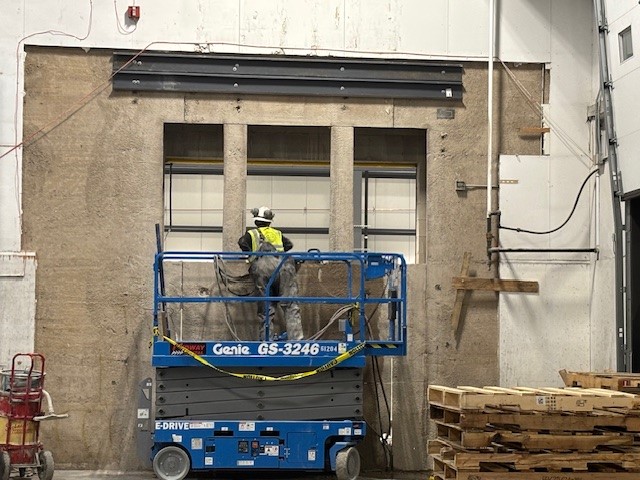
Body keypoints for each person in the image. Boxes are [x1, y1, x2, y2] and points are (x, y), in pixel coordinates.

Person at [238, 206, 303, 341]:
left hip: (262, 268)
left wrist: (250, 256)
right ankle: (297, 340)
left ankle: (266, 340)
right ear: (269, 222)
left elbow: (242, 243)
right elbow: (289, 245)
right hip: (283, 267)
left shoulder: (252, 234)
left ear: (256, 222)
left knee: (266, 307)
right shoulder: (278, 234)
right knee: (291, 305)